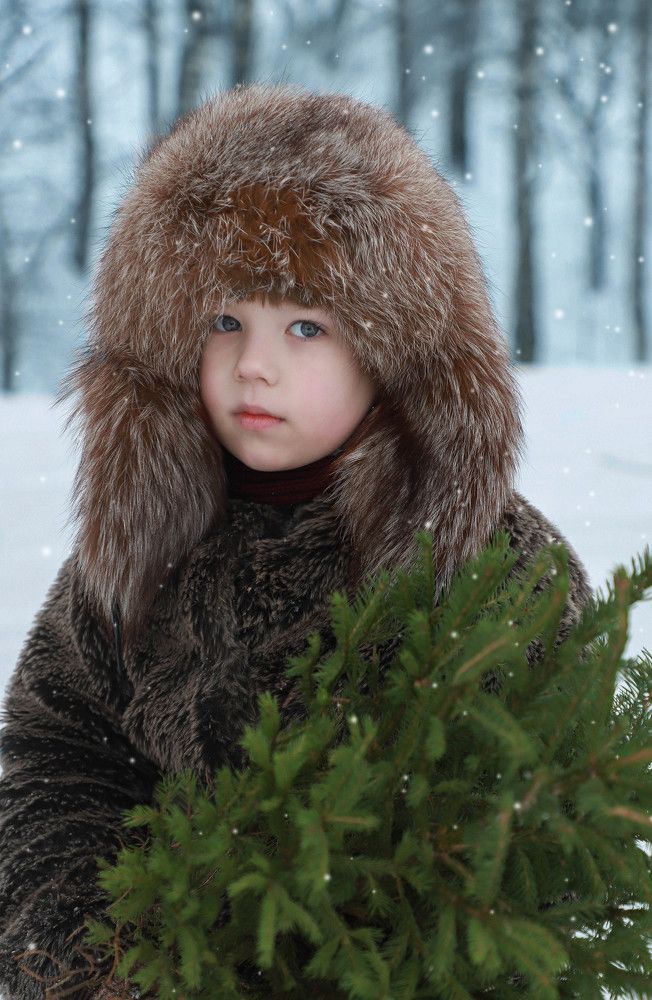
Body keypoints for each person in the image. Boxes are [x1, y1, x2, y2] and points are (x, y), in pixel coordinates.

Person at [0, 81, 593, 999]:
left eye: (307, 327)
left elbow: (541, 829)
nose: (254, 365)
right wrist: (100, 960)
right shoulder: (139, 549)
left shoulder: (495, 571)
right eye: (224, 321)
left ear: (393, 352)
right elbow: (57, 760)